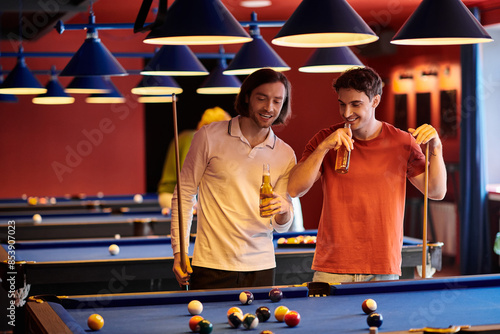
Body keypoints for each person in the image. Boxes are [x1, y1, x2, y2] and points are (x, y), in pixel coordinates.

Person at [287, 67, 447, 283]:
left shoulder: (403, 142)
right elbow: (295, 188)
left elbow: (436, 191)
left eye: (355, 104)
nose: (346, 113)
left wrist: (436, 148)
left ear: (375, 101)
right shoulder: (325, 139)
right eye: (342, 104)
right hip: (333, 265)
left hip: (383, 265)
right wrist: (324, 148)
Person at [171, 68, 296, 289]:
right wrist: (179, 250)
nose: (269, 108)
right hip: (211, 264)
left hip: (262, 266)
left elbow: (280, 226)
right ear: (247, 96)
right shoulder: (208, 136)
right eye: (262, 98)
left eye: (277, 101)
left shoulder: (285, 154)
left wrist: (285, 211)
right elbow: (184, 193)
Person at [157, 106, 231, 213]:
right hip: (173, 195)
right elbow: (189, 176)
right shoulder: (193, 138)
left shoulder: (195, 138)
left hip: (179, 196)